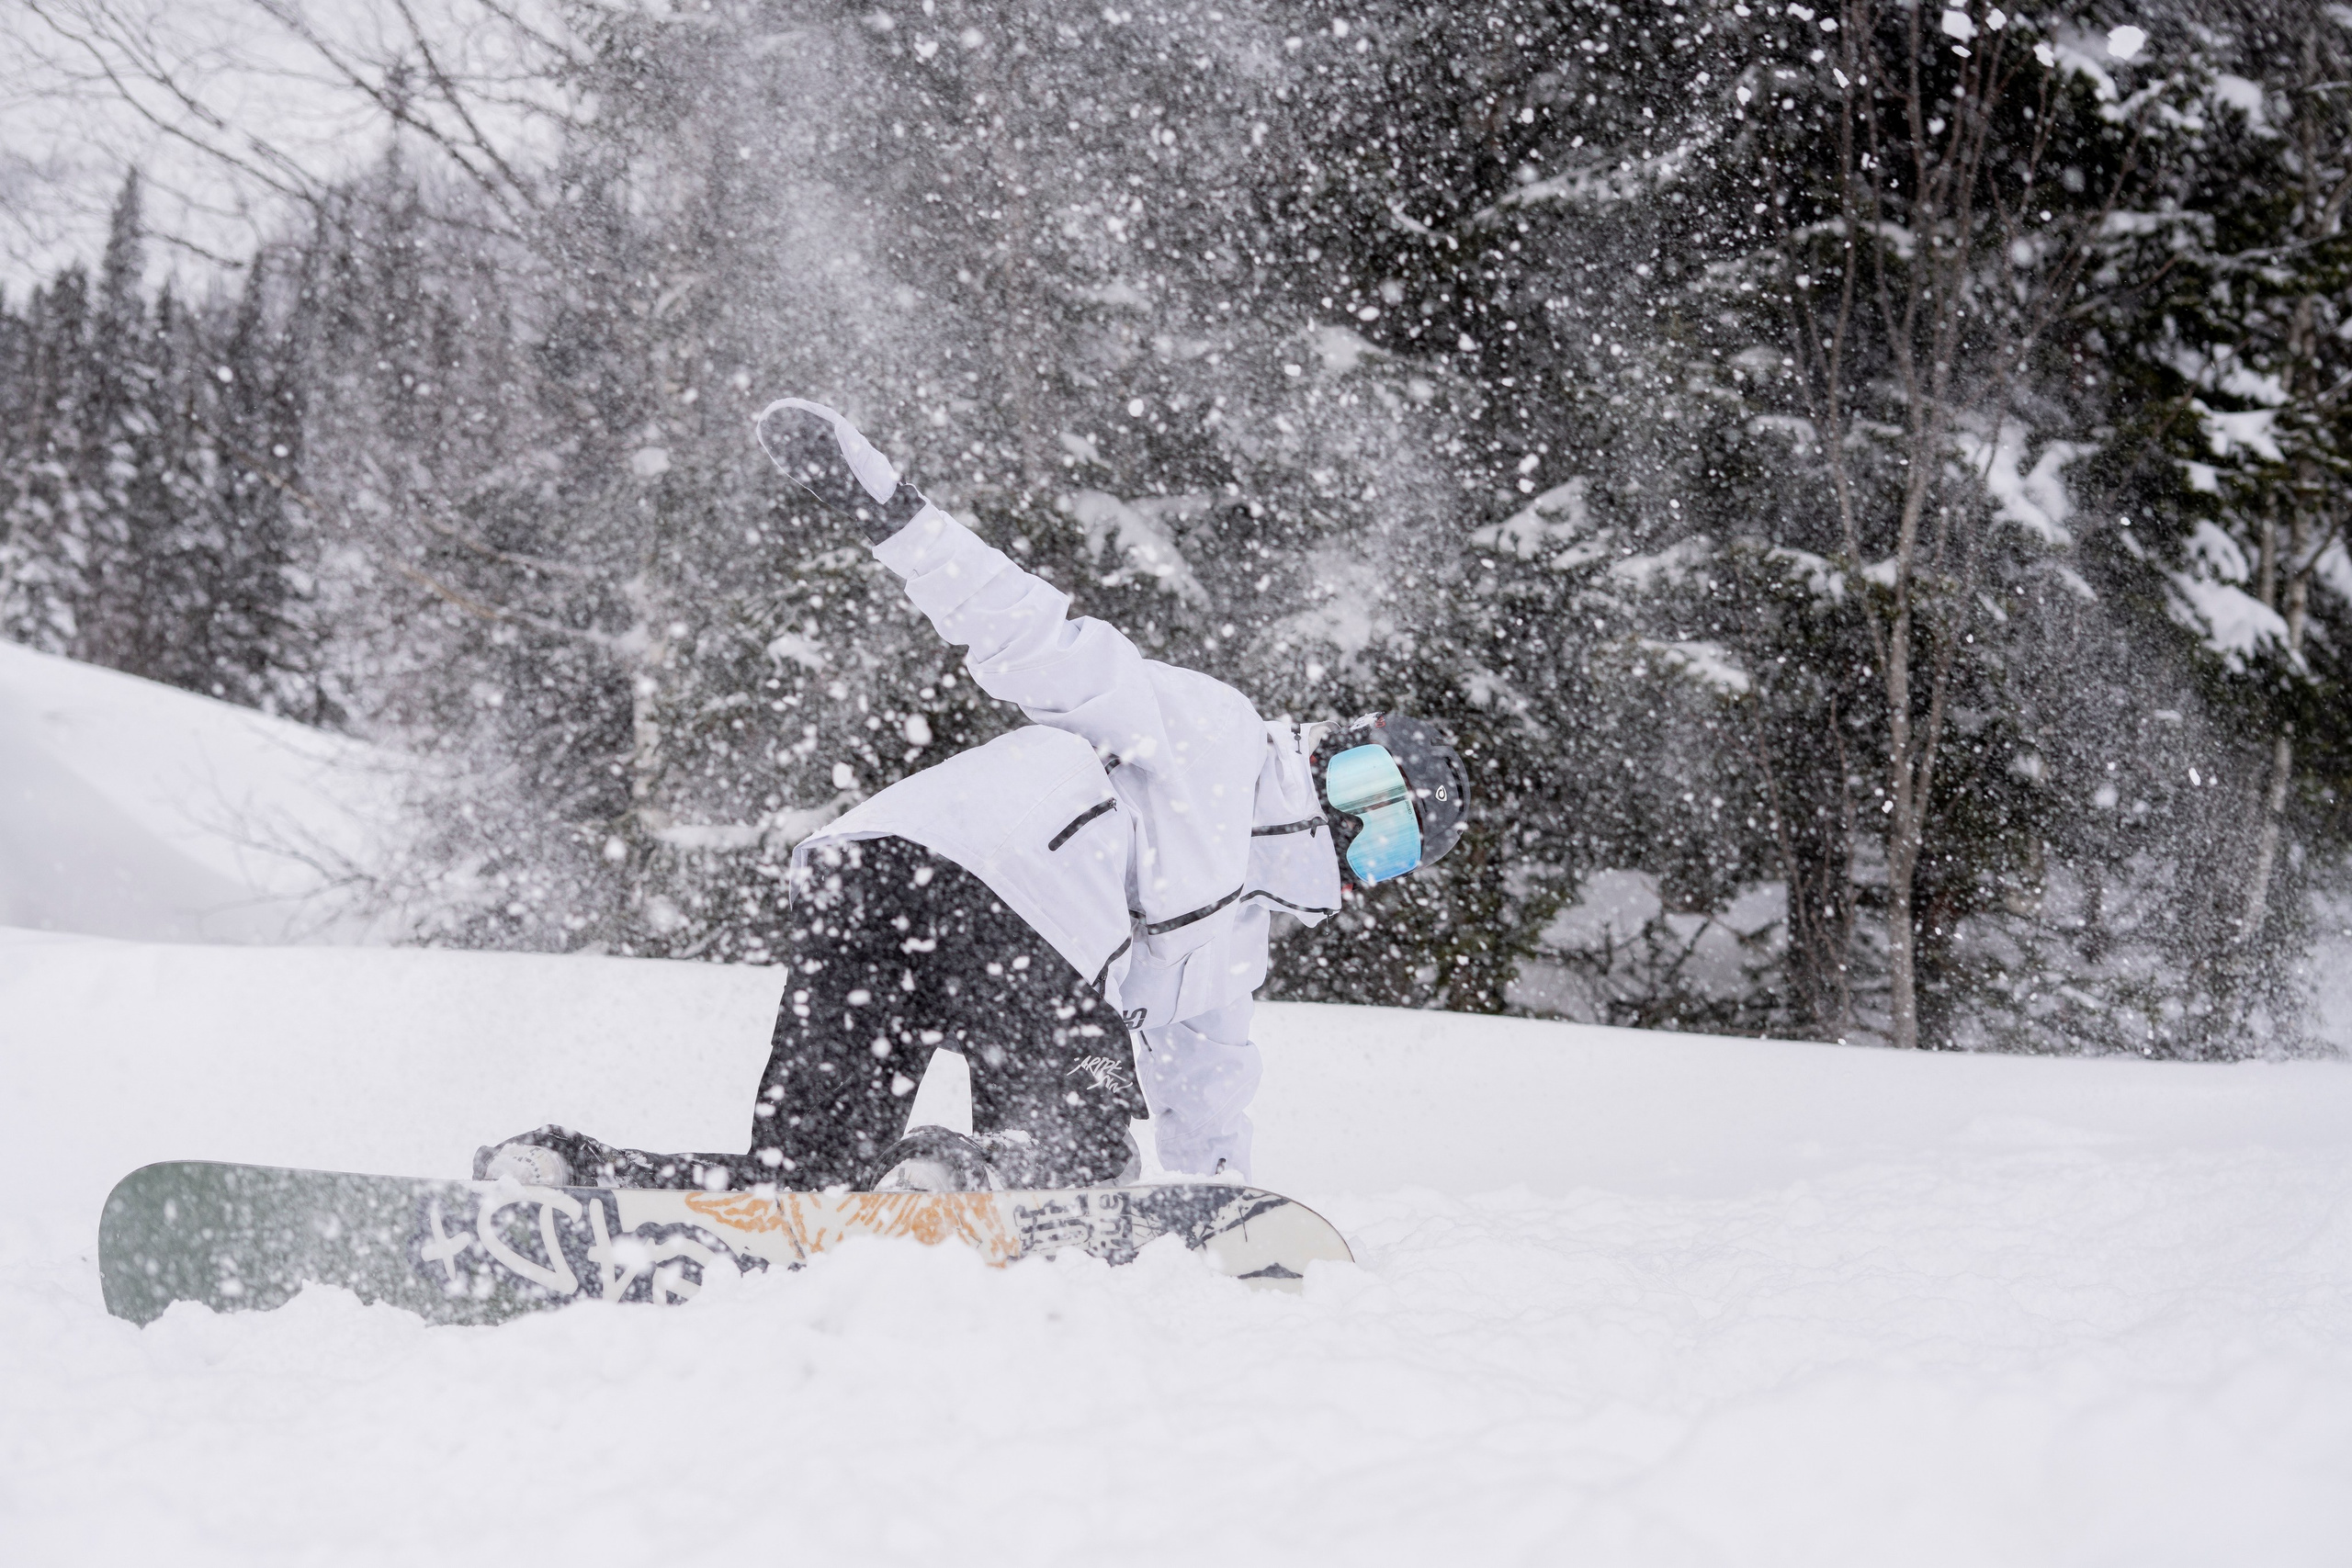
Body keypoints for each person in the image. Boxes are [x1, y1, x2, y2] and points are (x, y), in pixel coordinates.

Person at [476, 399, 1470, 1194]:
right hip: (1001, 893)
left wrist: (1221, 1204)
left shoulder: (1230, 942)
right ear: (1338, 749)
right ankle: (960, 1183)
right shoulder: (1213, 730)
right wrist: (898, 520)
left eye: (1387, 845)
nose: (1351, 829)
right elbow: (1033, 636)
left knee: (808, 1184)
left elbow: (1206, 1079)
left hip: (868, 881)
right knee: (1076, 1159)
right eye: (1368, 790)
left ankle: (570, 1177)